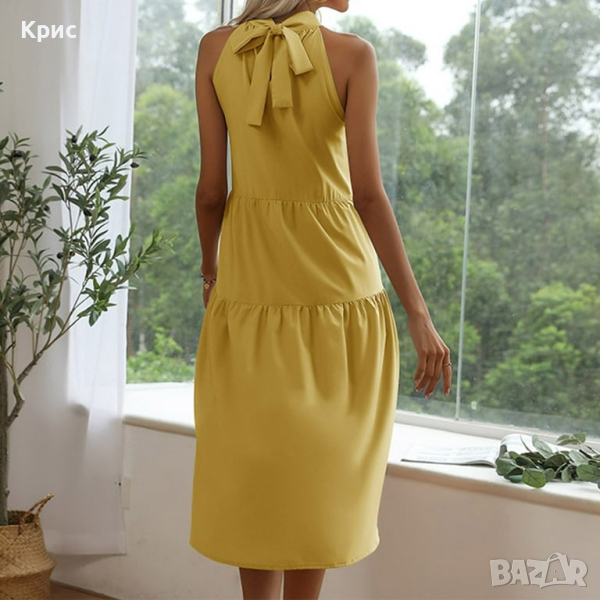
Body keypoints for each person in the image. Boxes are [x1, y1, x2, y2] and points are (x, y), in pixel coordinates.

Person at [190, 0, 452, 598]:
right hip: (340, 291)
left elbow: (210, 191)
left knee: (253, 472)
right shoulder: (354, 55)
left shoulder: (215, 48)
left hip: (250, 286)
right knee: (317, 477)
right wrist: (417, 312)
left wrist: (211, 271)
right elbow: (368, 196)